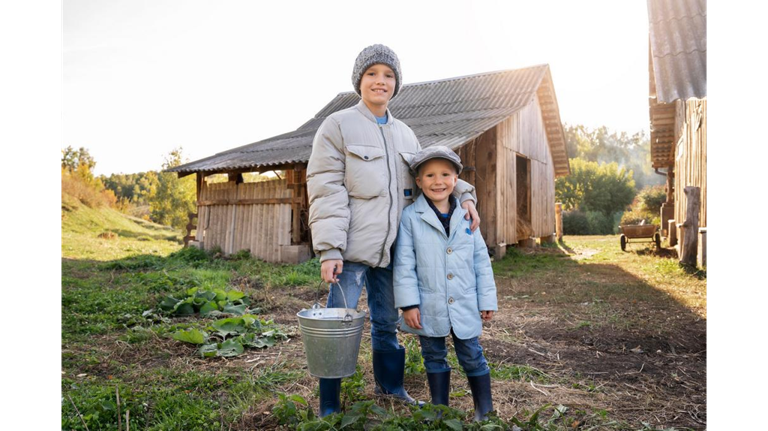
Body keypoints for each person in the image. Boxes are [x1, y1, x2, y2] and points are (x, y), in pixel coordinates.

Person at [306, 44, 481, 417]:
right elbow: (326, 188)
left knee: (386, 323)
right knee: (340, 324)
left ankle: (391, 388)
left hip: (393, 251)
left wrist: (465, 195)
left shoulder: (405, 134)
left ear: (396, 84)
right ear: (359, 81)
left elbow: (432, 176)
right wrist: (331, 248)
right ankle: (329, 405)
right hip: (350, 251)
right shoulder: (338, 126)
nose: (380, 82)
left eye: (388, 76)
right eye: (372, 74)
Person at [393, 146, 497, 422]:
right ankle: (440, 410)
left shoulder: (467, 216)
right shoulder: (410, 218)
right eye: (429, 175)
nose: (437, 181)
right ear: (418, 181)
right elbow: (404, 265)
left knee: (472, 354)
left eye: (445, 174)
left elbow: (481, 262)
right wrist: (409, 304)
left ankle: (484, 410)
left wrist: (486, 301)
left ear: (456, 180)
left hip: (464, 301)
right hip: (429, 304)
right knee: (433, 355)